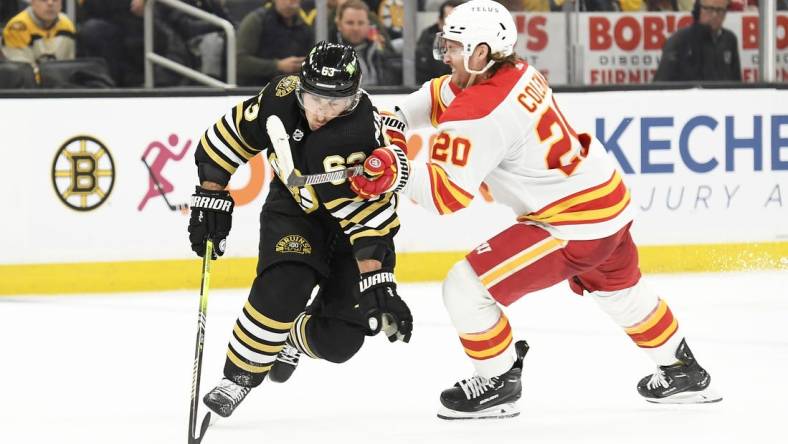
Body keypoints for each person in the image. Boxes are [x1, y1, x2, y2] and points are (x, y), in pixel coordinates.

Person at [349, 0, 721, 420]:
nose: (444, 54)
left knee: (465, 288)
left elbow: (446, 196)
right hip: (606, 202)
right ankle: (683, 369)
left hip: (571, 222)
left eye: (453, 47)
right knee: (621, 292)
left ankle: (498, 378)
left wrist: (396, 168)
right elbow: (441, 95)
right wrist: (392, 116)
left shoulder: (481, 111)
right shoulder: (514, 72)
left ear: (482, 52)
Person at [188, 41, 413, 418]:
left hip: (352, 230)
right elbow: (227, 138)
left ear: (353, 99)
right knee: (283, 288)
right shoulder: (280, 97)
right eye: (314, 99)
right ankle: (239, 377)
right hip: (296, 208)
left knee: (340, 342)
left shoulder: (357, 137)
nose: (322, 112)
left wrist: (378, 279)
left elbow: (367, 216)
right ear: (300, 87)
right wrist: (210, 195)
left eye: (336, 103)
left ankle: (288, 337)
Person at [654, 0, 741, 82]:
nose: (715, 15)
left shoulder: (730, 39)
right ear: (698, 10)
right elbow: (661, 84)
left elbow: (736, 81)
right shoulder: (679, 40)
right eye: (709, 9)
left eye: (720, 10)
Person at [236, 0, 314, 86]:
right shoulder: (257, 20)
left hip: (292, 89)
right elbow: (239, 61)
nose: (288, 3)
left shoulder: (304, 26)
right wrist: (278, 66)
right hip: (256, 90)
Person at [333, 0, 398, 86]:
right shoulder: (328, 55)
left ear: (368, 24)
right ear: (339, 25)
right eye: (350, 23)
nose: (356, 28)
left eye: (361, 23)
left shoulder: (380, 54)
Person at [2, 0, 75, 76]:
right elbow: (22, 72)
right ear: (32, 2)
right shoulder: (17, 27)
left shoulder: (67, 25)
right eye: (44, 0)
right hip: (28, 85)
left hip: (62, 84)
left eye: (55, 0)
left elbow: (69, 67)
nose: (50, 3)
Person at [416, 0, 463, 83]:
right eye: (450, 18)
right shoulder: (428, 41)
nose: (455, 24)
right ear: (439, 21)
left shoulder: (474, 40)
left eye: (459, 19)